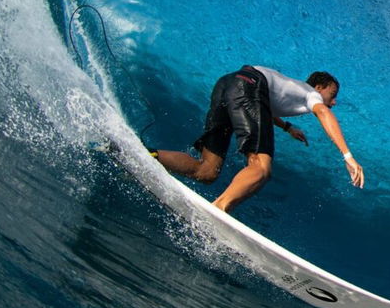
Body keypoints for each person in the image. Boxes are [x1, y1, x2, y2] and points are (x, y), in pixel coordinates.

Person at [154, 65, 364, 213]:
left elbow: (256, 106)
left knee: (207, 171)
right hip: (249, 84)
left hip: (228, 83)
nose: (334, 101)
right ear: (319, 87)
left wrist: (287, 127)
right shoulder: (311, 94)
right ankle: (219, 208)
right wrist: (348, 156)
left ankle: (151, 155)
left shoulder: (289, 88)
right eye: (333, 94)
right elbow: (324, 113)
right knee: (261, 167)